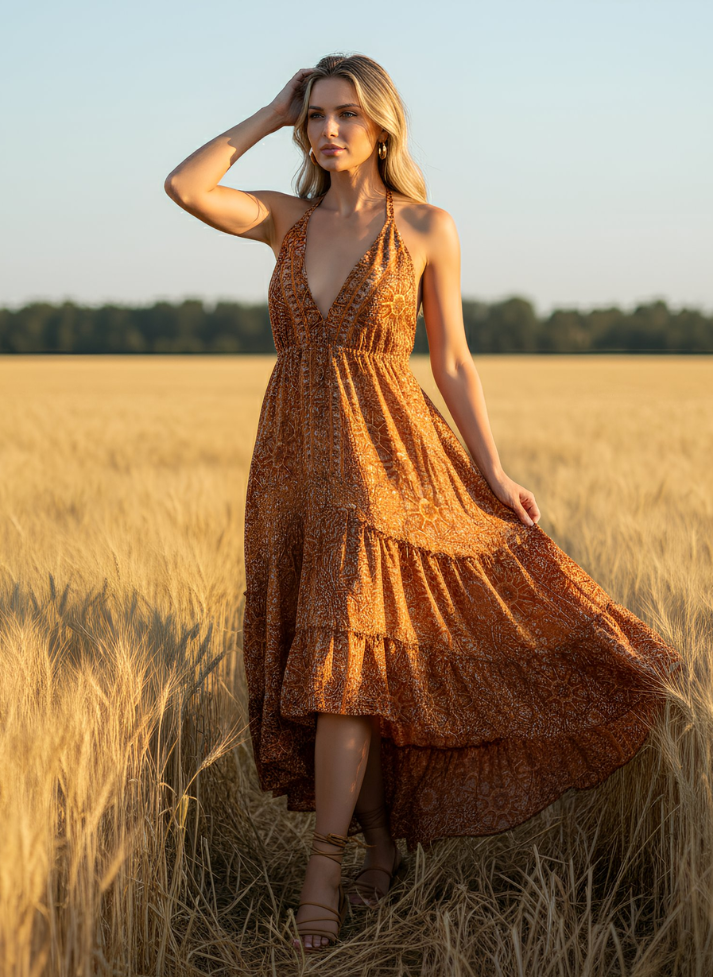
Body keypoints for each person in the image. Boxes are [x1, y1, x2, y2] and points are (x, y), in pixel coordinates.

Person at [164, 53, 684, 953]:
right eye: (315, 116)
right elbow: (184, 184)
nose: (328, 131)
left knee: (346, 660)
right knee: (340, 667)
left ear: (382, 127)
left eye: (345, 116)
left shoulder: (427, 228)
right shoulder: (284, 222)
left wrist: (493, 471)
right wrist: (263, 112)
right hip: (291, 466)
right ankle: (377, 851)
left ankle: (321, 874)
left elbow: (451, 362)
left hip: (389, 466)